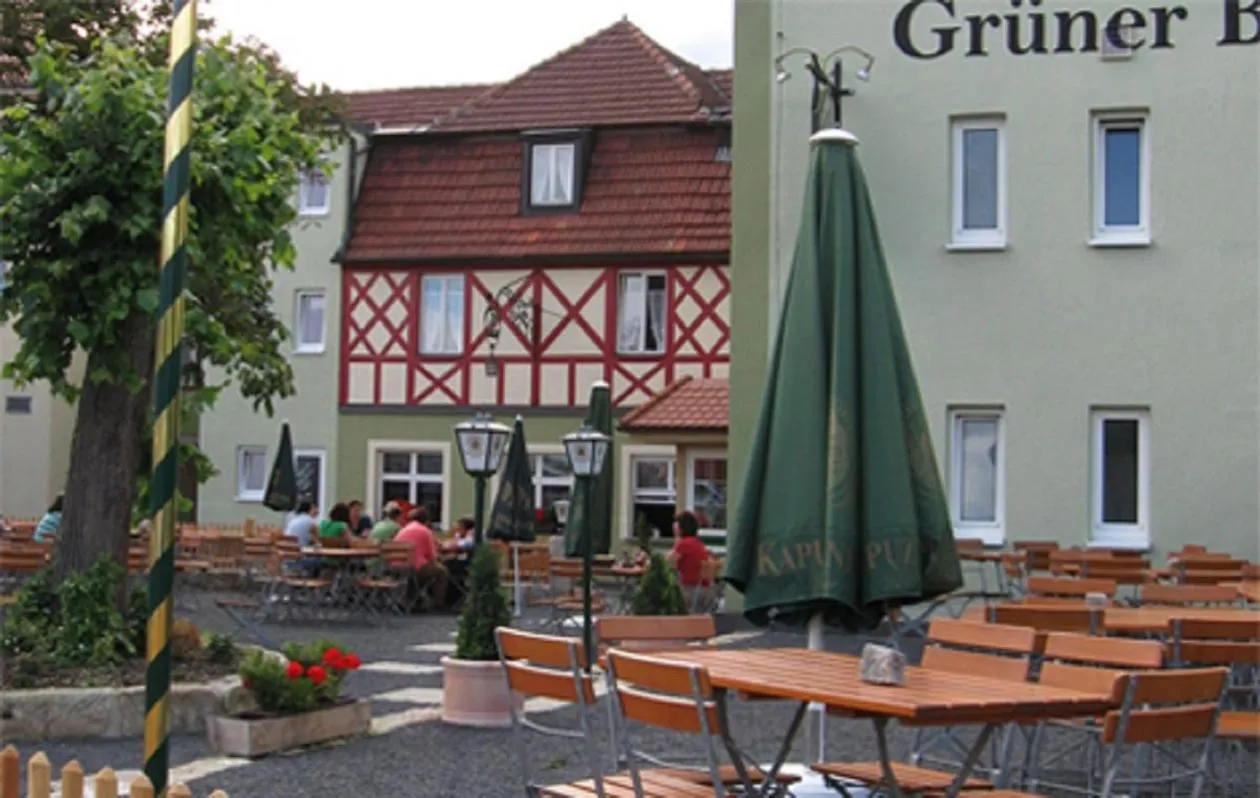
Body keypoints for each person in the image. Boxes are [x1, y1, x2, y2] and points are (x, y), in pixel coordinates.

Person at [395, 505, 450, 610]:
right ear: (426, 520)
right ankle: (439, 604)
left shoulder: (403, 530)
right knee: (442, 571)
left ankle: (413, 600)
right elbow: (432, 556)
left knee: (422, 574)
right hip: (415, 567)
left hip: (397, 567)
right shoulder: (425, 531)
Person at [667, 510, 710, 593]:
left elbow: (668, 563)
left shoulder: (683, 543)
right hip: (702, 591)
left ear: (682, 526)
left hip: (688, 589)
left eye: (676, 522)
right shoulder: (697, 542)